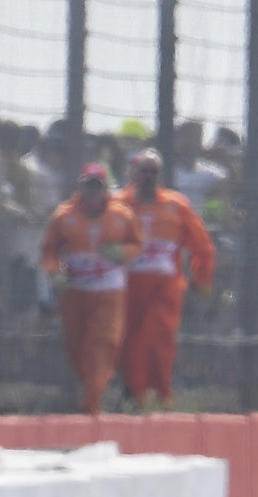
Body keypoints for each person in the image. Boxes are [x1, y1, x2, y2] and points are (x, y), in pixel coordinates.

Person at [39, 162, 143, 414]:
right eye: (89, 186)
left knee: (104, 343)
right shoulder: (64, 215)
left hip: (109, 289)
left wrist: (121, 252)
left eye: (98, 186)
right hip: (75, 289)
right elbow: (49, 249)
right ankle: (88, 391)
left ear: (106, 189)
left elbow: (137, 244)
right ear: (80, 187)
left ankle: (92, 404)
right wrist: (55, 273)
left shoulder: (123, 214)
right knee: (76, 346)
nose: (93, 192)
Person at [117, 148, 215, 408]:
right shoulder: (118, 205)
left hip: (165, 285)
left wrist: (202, 279)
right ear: (133, 173)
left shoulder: (177, 204)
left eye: (153, 172)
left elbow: (201, 245)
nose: (148, 177)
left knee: (158, 333)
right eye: (143, 171)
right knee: (131, 340)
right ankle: (135, 394)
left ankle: (160, 393)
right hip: (127, 285)